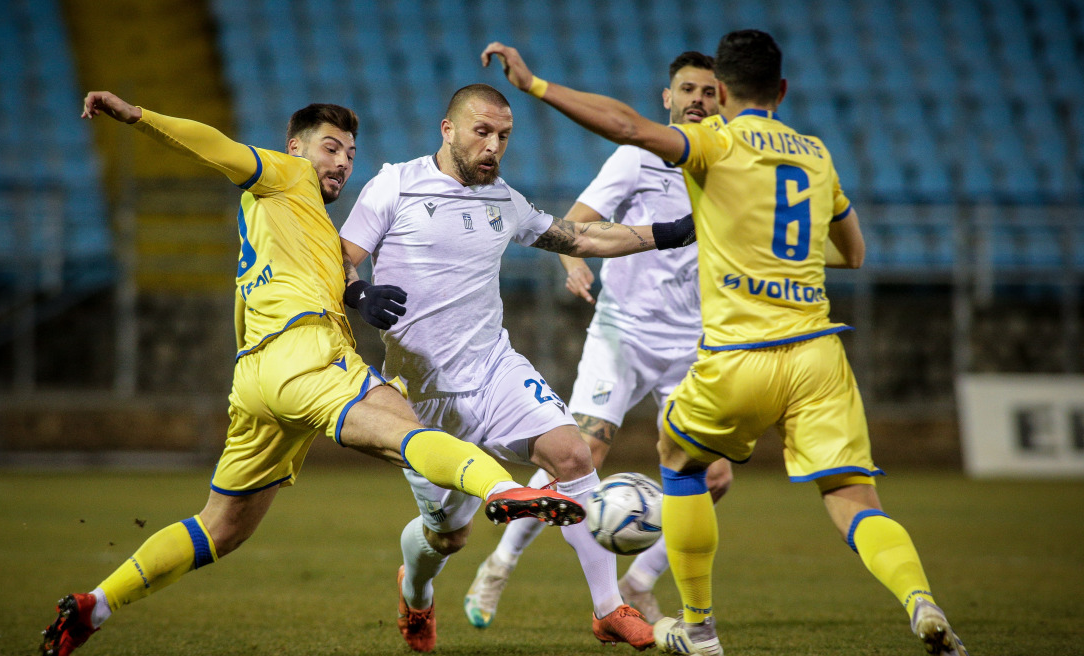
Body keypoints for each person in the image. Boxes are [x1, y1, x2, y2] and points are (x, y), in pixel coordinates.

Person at [39, 91, 587, 656]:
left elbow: (315, 279)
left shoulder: (300, 222)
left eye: (350, 153)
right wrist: (139, 116)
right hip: (304, 356)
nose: (341, 163)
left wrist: (359, 293)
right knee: (411, 431)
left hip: (256, 376)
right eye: (330, 148)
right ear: (295, 146)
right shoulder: (284, 175)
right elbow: (218, 148)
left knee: (221, 529)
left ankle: (95, 605)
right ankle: (505, 489)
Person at [481, 31, 968, 656]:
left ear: (725, 94)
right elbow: (854, 253)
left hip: (735, 352)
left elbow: (626, 125)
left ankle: (700, 627)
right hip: (818, 353)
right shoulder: (816, 154)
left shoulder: (717, 139)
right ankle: (920, 601)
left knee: (679, 462)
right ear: (783, 90)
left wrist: (537, 86)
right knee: (852, 496)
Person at [339, 83, 699, 652]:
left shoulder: (502, 200)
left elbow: (579, 237)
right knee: (446, 538)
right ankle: (417, 591)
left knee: (573, 453)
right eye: (482, 132)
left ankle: (609, 609)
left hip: (494, 370)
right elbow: (339, 256)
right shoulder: (395, 185)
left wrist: (670, 233)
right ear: (448, 129)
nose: (493, 146)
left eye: (503, 136)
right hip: (422, 395)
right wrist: (359, 295)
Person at [464, 51, 735, 628]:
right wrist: (574, 263)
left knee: (713, 478)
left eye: (709, 92)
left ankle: (640, 578)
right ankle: (500, 564)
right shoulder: (640, 156)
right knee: (582, 454)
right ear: (667, 98)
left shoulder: (732, 165)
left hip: (695, 343)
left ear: (724, 102)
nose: (697, 100)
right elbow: (580, 220)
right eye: (686, 89)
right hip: (626, 332)